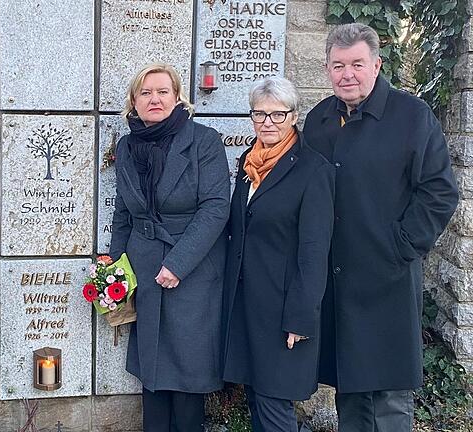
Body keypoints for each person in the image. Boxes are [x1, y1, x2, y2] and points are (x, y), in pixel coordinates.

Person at [303, 23, 459, 431]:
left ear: (377, 65)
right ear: (327, 69)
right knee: (350, 390)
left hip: (388, 275)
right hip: (337, 279)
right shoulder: (319, 120)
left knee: (389, 398)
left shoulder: (411, 116)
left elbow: (439, 192)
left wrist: (400, 246)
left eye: (357, 64)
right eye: (338, 66)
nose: (347, 74)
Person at [109, 63, 230, 431]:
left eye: (162, 91)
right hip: (144, 264)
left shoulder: (204, 141)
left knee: (187, 370)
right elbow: (124, 211)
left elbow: (215, 207)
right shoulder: (128, 146)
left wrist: (178, 264)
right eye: (145, 93)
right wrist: (115, 271)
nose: (154, 99)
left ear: (177, 97)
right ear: (134, 102)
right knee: (153, 370)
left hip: (191, 268)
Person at [222, 77, 334, 431]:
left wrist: (301, 317)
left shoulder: (313, 169)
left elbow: (315, 250)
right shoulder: (247, 163)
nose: (267, 123)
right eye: (260, 114)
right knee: (256, 397)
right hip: (246, 304)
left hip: (282, 310)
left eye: (278, 115)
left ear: (294, 116)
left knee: (274, 405)